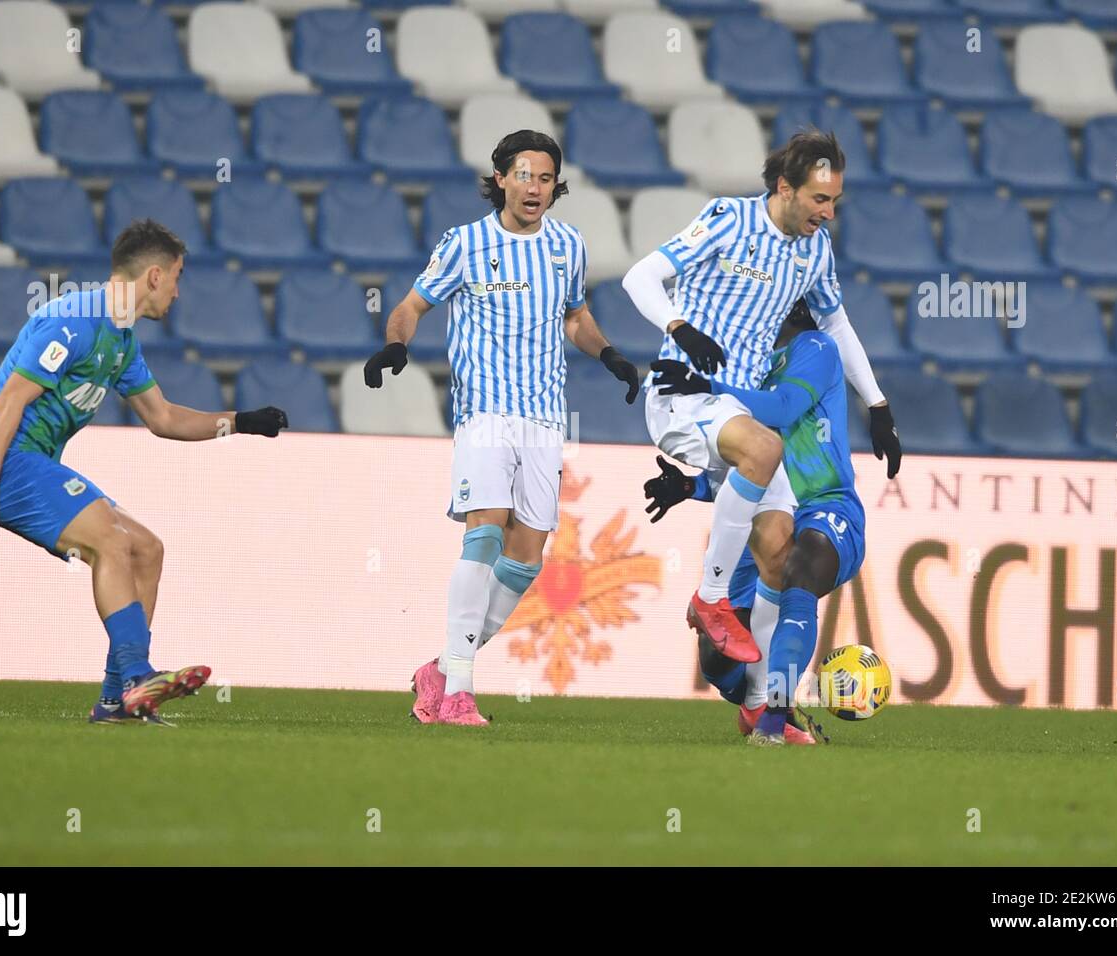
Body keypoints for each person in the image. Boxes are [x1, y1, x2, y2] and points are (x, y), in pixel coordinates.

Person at [0, 220, 289, 724]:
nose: (178, 292)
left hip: (36, 463)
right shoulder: (74, 320)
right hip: (5, 461)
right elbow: (9, 402)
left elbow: (164, 418)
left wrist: (240, 422)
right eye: (177, 277)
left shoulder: (122, 341)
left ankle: (116, 701)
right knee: (112, 542)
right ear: (154, 275)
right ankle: (138, 676)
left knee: (148, 549)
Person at [364, 130, 641, 726]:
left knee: (525, 559)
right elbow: (411, 306)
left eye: (544, 178)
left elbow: (575, 316)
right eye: (522, 175)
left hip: (544, 417)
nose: (533, 187)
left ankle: (439, 669)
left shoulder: (568, 246)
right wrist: (394, 346)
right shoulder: (464, 244)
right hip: (485, 412)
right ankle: (459, 693)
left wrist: (610, 353)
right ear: (499, 180)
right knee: (484, 534)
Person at [622, 130, 898, 669]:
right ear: (784, 187)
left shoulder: (815, 251)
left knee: (777, 551)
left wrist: (879, 406)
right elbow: (641, 277)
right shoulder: (728, 218)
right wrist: (679, 327)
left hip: (738, 410)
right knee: (766, 449)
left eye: (835, 201)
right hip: (686, 393)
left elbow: (835, 324)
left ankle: (765, 707)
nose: (829, 213)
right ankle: (711, 596)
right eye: (820, 200)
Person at [645, 299, 865, 746]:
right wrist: (692, 487)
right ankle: (755, 705)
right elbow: (751, 467)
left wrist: (708, 385)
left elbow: (782, 409)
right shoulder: (753, 363)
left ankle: (774, 718)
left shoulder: (816, 346)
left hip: (825, 505)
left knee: (797, 571)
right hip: (767, 512)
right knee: (718, 663)